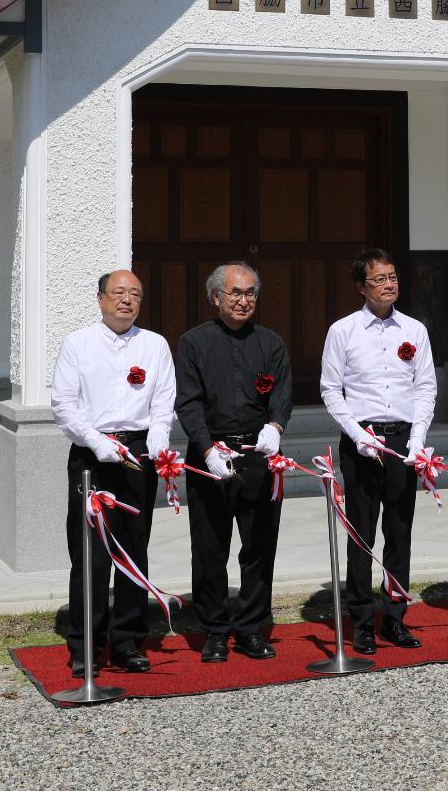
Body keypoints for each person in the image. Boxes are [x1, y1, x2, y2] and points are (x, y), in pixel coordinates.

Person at [49, 269, 175, 675]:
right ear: (101, 298)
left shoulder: (154, 345)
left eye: (135, 294)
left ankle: (128, 641)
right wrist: (99, 443)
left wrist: (158, 437)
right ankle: (85, 645)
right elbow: (64, 404)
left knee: (133, 550)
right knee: (91, 554)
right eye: (118, 293)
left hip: (137, 455)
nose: (127, 300)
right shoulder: (78, 344)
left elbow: (163, 400)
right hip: (93, 454)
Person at [174, 262, 294, 660]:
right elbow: (188, 402)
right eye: (235, 293)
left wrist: (275, 425)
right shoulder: (193, 343)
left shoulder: (272, 343)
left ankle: (251, 627)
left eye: (250, 293)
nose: (244, 300)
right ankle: (213, 629)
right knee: (209, 547)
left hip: (258, 457)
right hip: (210, 455)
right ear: (216, 298)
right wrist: (207, 449)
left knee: (259, 546)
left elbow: (282, 393)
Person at [320, 247, 437, 654]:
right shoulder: (343, 331)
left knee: (400, 532)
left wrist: (418, 439)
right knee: (361, 534)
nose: (388, 285)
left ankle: (396, 616)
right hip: (362, 440)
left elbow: (425, 387)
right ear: (360, 286)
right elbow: (331, 390)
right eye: (379, 279)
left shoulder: (414, 330)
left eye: (392, 277)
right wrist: (357, 434)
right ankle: (362, 620)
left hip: (403, 439)